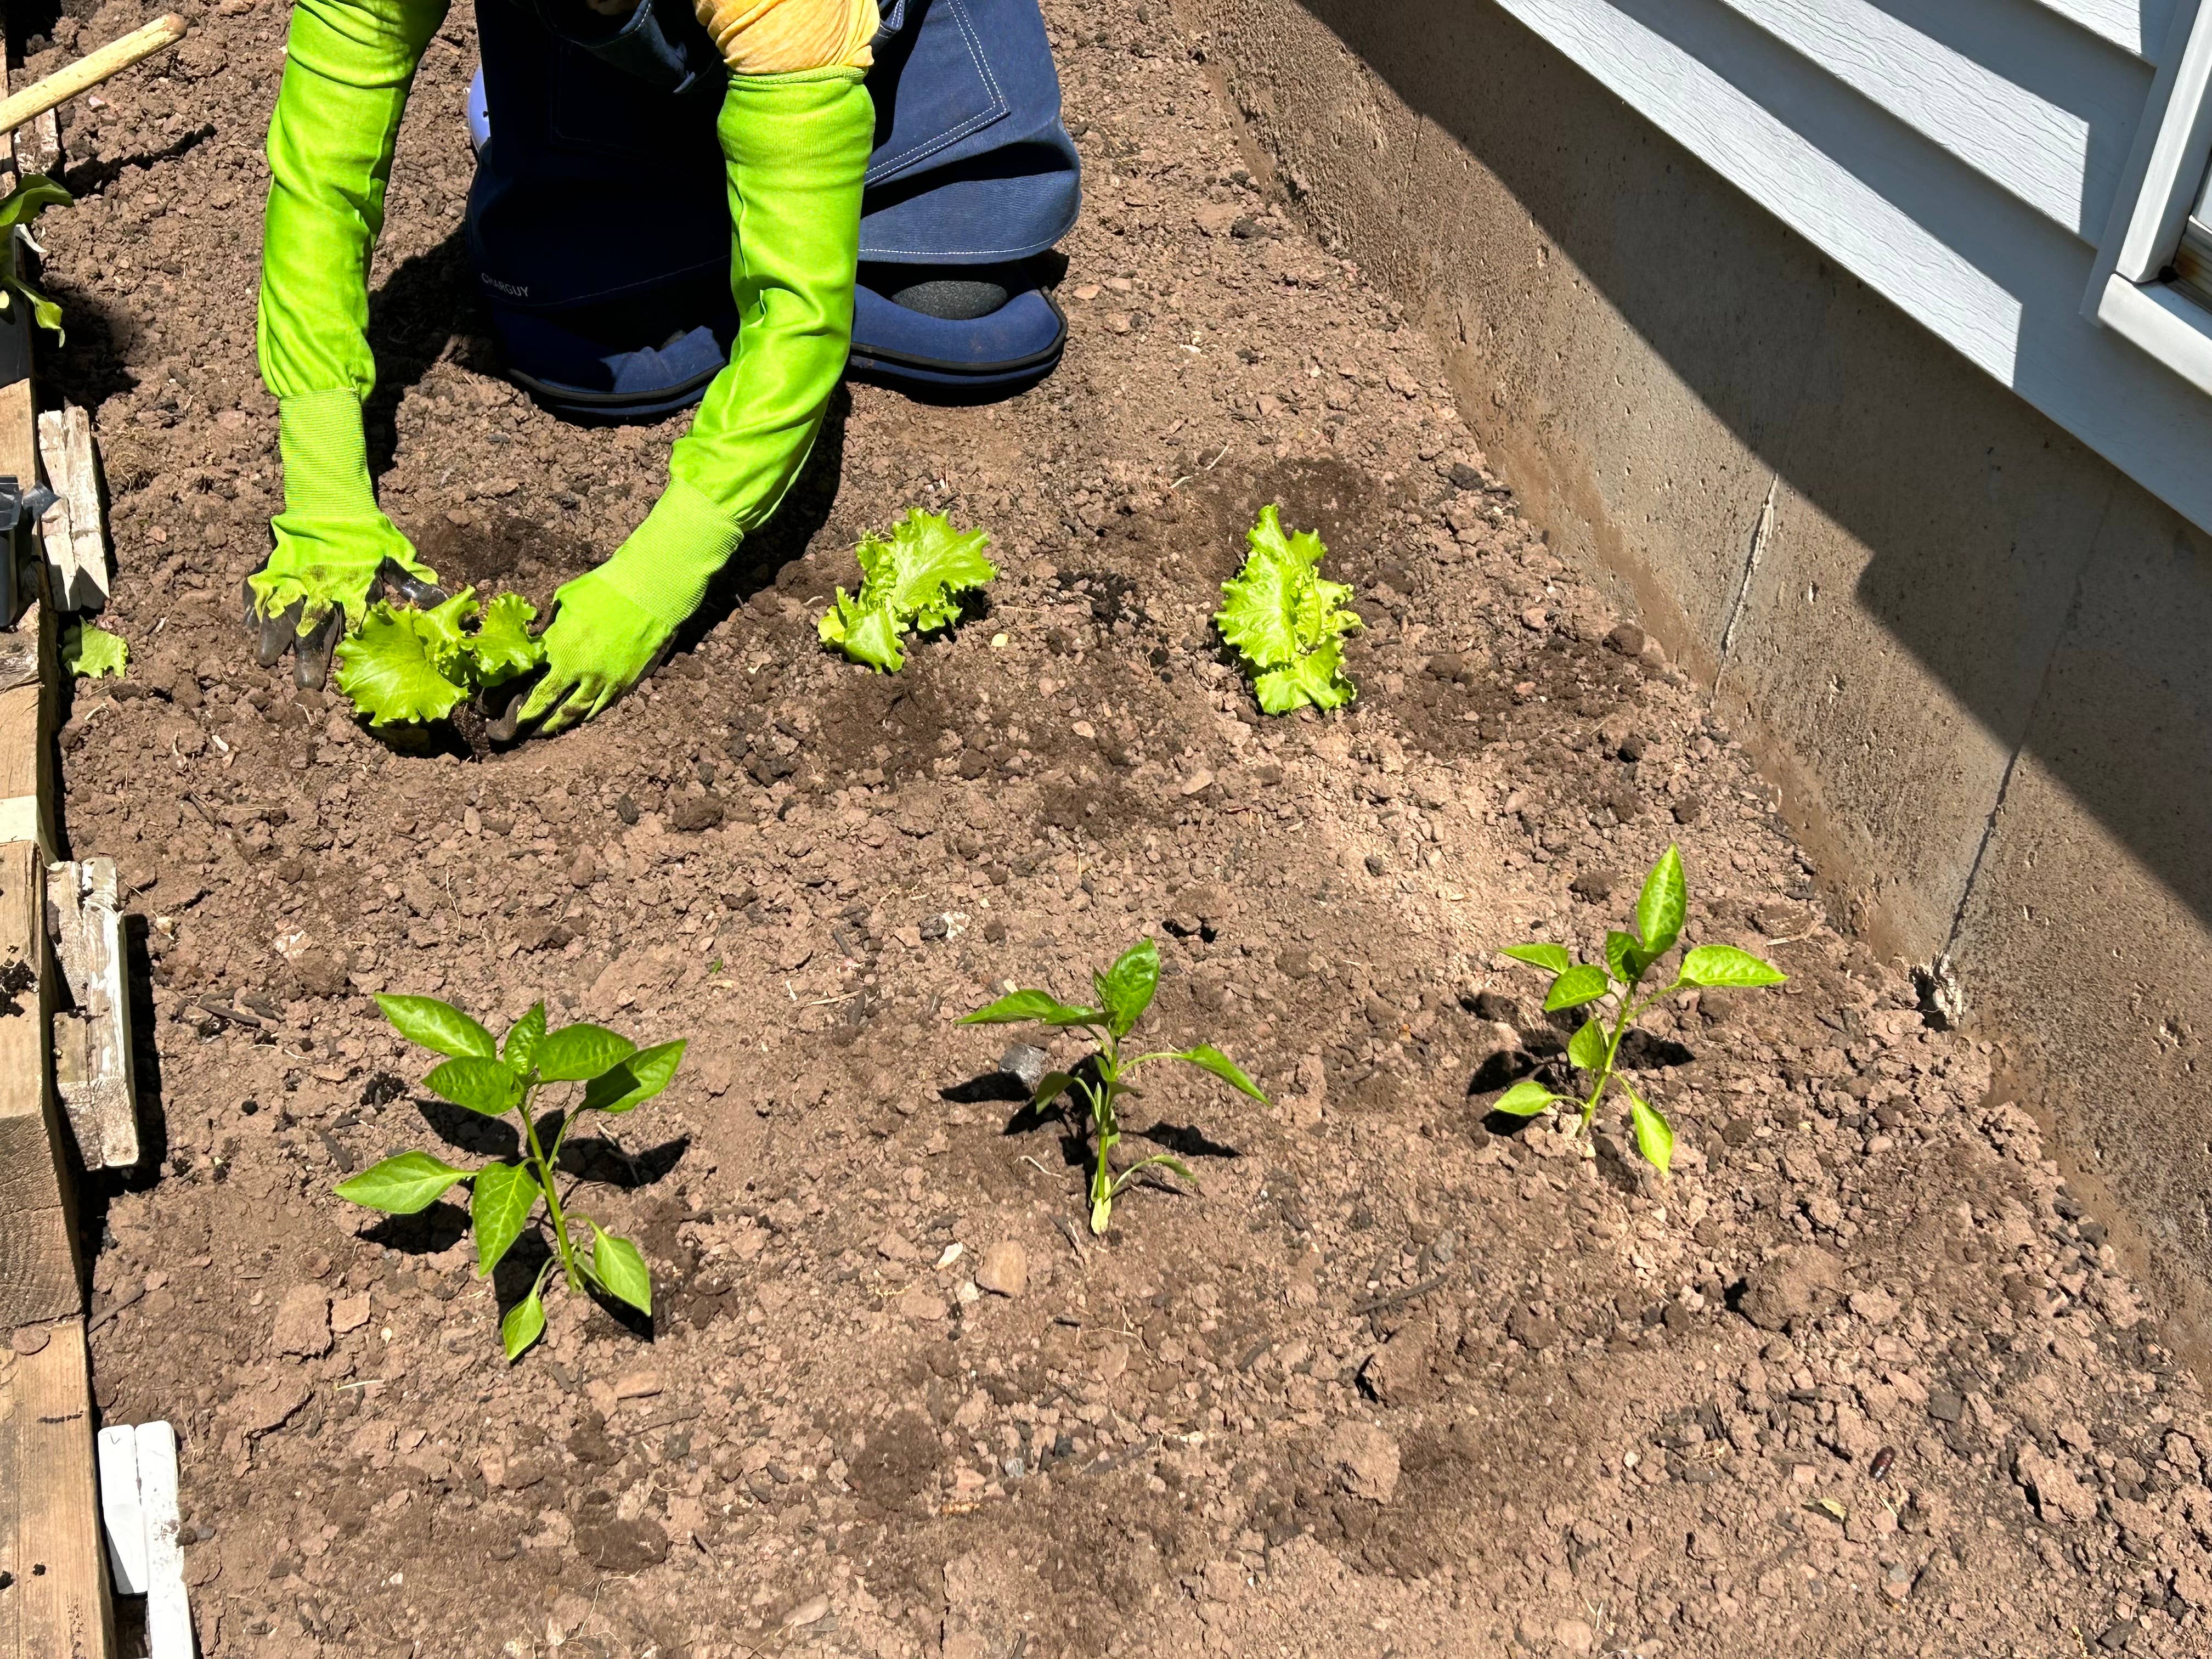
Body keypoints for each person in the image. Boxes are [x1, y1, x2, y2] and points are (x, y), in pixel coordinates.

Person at [247, 0, 1079, 733]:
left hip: (853, 41)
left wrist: (661, 576)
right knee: (592, 354)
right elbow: (324, 180)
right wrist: (325, 485)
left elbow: (798, 316)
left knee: (969, 314)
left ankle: (801, 152)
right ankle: (539, 108)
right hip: (615, 44)